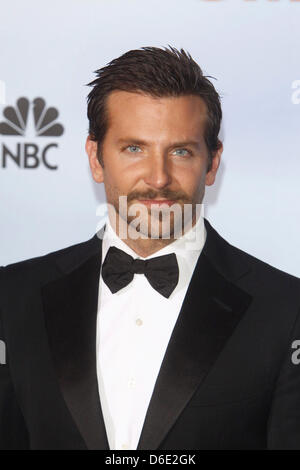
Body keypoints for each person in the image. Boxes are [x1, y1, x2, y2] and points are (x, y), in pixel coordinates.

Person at [0, 46, 300, 450]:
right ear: (96, 157)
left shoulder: (285, 310)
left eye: (180, 151)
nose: (158, 178)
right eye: (134, 149)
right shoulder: (12, 296)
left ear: (212, 164)